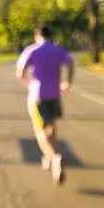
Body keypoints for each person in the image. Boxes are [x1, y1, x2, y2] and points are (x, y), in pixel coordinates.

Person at [16, 25, 74, 185]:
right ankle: (48, 156)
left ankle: (54, 158)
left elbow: (20, 73)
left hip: (37, 95)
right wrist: (67, 82)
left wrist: (29, 84)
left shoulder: (31, 50)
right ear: (51, 35)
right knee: (51, 126)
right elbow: (70, 64)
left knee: (40, 130)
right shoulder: (57, 49)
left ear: (37, 36)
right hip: (54, 94)